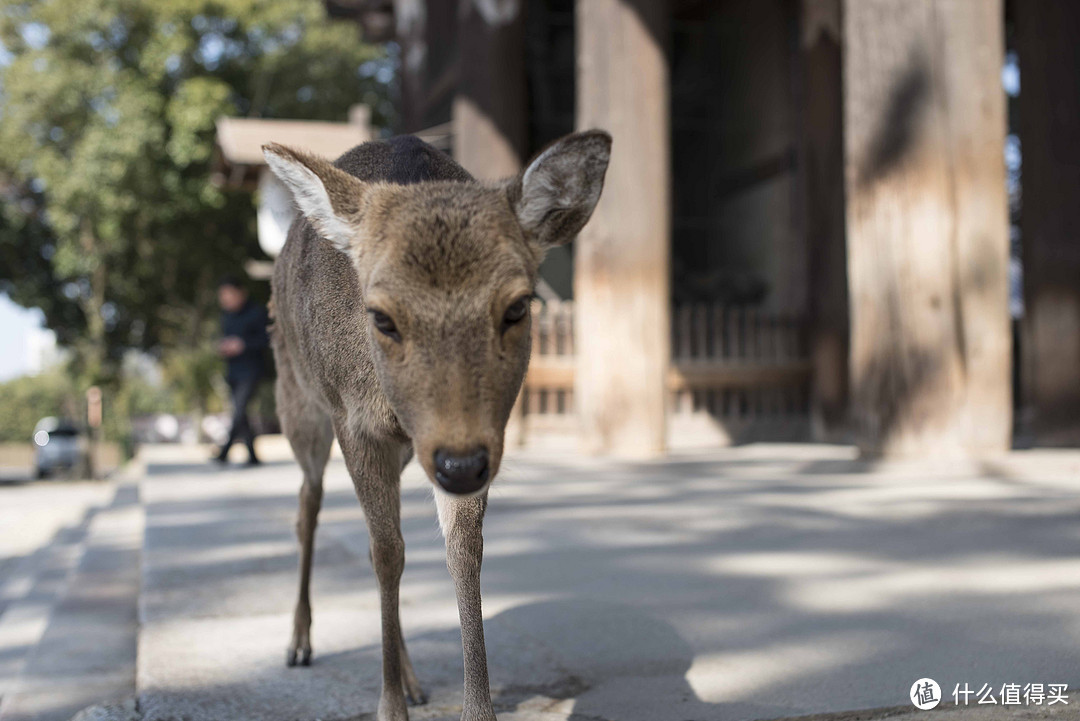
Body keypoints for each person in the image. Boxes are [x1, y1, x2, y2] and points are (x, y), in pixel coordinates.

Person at [214, 275, 269, 465]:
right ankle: (253, 456)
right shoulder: (226, 317)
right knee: (242, 413)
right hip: (233, 372)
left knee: (239, 410)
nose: (225, 299)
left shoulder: (256, 312)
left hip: (252, 371)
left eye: (228, 294)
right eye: (222, 296)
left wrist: (243, 344)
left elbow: (267, 340)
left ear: (240, 293)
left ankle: (224, 451)